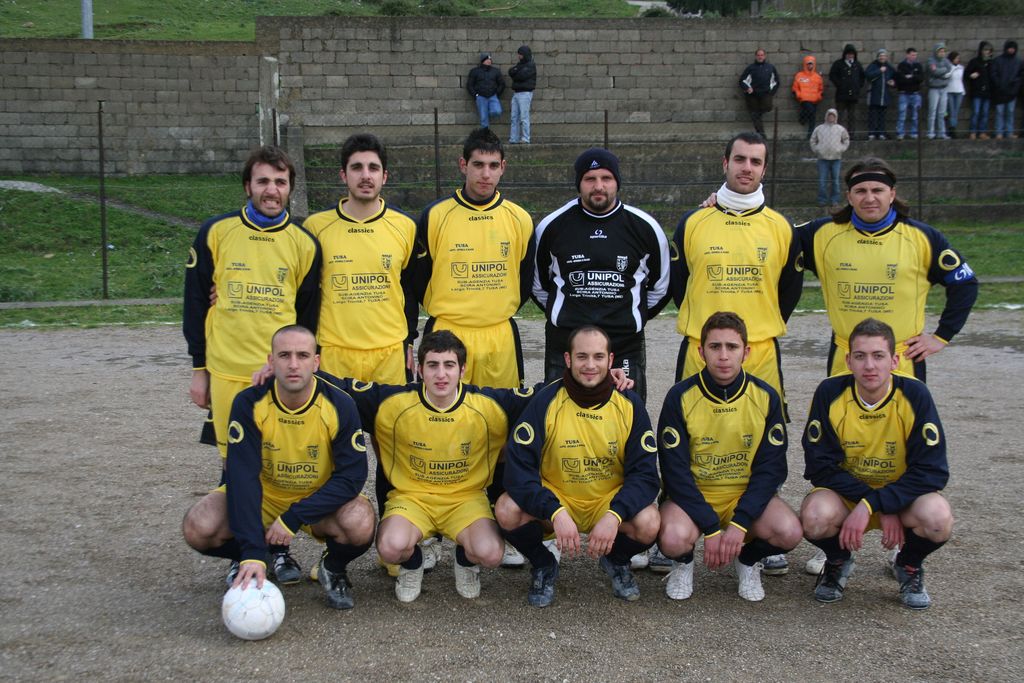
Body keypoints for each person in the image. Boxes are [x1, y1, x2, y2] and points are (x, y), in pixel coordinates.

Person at [183, 146, 321, 579]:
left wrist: (296, 369)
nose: (271, 190)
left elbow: (307, 319)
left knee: (277, 460)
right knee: (235, 467)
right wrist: (200, 370)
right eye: (263, 181)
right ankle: (247, 551)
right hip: (227, 372)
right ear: (248, 186)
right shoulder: (216, 232)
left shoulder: (304, 243)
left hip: (282, 375)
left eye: (280, 182)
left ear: (290, 188)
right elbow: (194, 303)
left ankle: (277, 550)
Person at [334, 330, 536, 603]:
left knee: (491, 554)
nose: (441, 374)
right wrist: (294, 370)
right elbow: (340, 388)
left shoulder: (488, 404)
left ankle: (465, 560)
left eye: (449, 365)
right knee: (390, 548)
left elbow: (544, 394)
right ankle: (412, 563)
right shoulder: (394, 402)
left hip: (465, 499)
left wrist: (595, 376)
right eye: (432, 365)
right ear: (420, 370)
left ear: (462, 370)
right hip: (412, 499)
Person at [181, 326, 375, 610]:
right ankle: (253, 557)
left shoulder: (340, 404)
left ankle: (332, 568)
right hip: (265, 497)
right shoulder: (249, 402)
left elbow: (352, 477)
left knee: (360, 521)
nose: (293, 364)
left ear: (316, 362)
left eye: (302, 355)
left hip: (316, 499)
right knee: (199, 525)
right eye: (284, 355)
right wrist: (251, 550)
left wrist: (294, 516)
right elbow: (242, 478)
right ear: (271, 362)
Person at [496, 325, 661, 607]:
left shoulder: (629, 404)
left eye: (598, 357)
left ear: (611, 360)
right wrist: (554, 511)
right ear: (568, 359)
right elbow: (518, 471)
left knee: (650, 522)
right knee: (506, 509)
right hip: (559, 498)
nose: (590, 365)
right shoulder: (545, 401)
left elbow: (645, 476)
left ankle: (616, 560)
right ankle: (543, 564)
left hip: (606, 502)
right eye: (582, 356)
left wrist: (615, 515)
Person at [800, 318, 953, 609]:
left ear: (894, 361)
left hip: (902, 498)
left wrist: (879, 503)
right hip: (849, 496)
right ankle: (838, 561)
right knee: (814, 517)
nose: (869, 365)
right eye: (860, 356)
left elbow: (933, 472)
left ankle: (908, 564)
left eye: (878, 356)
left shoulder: (915, 394)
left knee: (938, 518)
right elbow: (819, 467)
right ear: (848, 361)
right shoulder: (830, 392)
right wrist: (874, 503)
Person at [657, 312, 801, 602]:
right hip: (695, 494)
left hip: (742, 494)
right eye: (715, 347)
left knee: (789, 532)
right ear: (701, 352)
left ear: (746, 352)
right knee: (671, 539)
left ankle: (747, 560)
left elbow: (771, 469)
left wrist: (740, 523)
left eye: (732, 347)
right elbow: (674, 472)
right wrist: (712, 529)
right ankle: (683, 563)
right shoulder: (680, 396)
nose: (723, 356)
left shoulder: (766, 396)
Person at [798, 157, 978, 383]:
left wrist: (941, 336)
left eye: (877, 190)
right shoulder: (820, 234)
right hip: (845, 357)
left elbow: (965, 284)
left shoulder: (923, 237)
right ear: (849, 197)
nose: (869, 198)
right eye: (860, 191)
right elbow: (775, 244)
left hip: (902, 358)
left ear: (891, 194)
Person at [671, 132, 803, 409]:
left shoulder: (782, 227)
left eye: (756, 162)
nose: (747, 167)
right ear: (725, 163)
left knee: (763, 431)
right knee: (694, 428)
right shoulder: (693, 222)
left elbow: (790, 290)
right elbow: (679, 284)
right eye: (739, 159)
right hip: (701, 350)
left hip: (760, 352)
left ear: (764, 170)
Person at [533, 147, 671, 402]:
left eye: (606, 178)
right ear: (579, 183)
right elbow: (539, 285)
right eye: (590, 179)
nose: (598, 186)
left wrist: (632, 316)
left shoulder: (645, 227)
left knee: (627, 415)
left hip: (624, 343)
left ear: (617, 182)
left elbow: (660, 287)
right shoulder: (551, 226)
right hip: (566, 342)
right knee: (558, 415)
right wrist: (565, 314)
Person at [415, 127, 534, 390]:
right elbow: (419, 278)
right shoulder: (435, 216)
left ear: (503, 167)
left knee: (499, 412)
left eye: (493, 165)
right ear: (463, 165)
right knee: (443, 411)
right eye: (478, 164)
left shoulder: (520, 219)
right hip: (447, 333)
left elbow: (524, 279)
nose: (486, 174)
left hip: (499, 336)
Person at [303, 133, 418, 385]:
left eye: (373, 168)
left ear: (384, 176)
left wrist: (409, 341)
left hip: (389, 353)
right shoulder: (315, 227)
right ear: (343, 175)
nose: (366, 175)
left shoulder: (405, 226)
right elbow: (304, 293)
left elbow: (409, 289)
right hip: (335, 353)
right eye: (357, 167)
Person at [810, 108, 850, 210]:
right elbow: (813, 140)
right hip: (822, 158)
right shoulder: (819, 128)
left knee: (835, 181)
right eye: (829, 115)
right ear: (826, 116)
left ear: (836, 117)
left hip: (836, 158)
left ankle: (835, 200)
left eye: (833, 115)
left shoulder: (840, 129)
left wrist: (841, 149)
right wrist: (817, 149)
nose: (831, 117)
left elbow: (846, 140)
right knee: (822, 181)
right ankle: (822, 200)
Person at [739, 49, 779, 137]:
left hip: (766, 94)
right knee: (755, 116)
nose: (760, 57)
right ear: (756, 56)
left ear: (765, 56)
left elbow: (776, 81)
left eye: (762, 55)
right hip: (752, 95)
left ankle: (758, 114)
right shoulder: (750, 68)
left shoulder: (770, 67)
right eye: (758, 55)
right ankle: (762, 136)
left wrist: (771, 92)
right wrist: (747, 88)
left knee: (767, 107)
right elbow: (742, 80)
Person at [829, 43, 865, 138]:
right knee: (839, 115)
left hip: (853, 95)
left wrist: (858, 86)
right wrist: (839, 84)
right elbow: (832, 75)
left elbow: (862, 77)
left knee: (852, 116)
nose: (850, 56)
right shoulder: (838, 64)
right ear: (845, 54)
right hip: (841, 95)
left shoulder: (857, 64)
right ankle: (837, 134)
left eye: (852, 54)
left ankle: (851, 135)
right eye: (848, 54)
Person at [990, 40, 1021, 139]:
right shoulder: (997, 60)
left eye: (1013, 48)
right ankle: (999, 132)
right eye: (1010, 48)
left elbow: (1020, 76)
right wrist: (999, 84)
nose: (1011, 50)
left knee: (1010, 112)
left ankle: (1009, 132)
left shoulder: (1018, 62)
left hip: (1012, 92)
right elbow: (993, 74)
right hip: (1000, 92)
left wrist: (1014, 87)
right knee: (1000, 112)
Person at [467, 53, 505, 129]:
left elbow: (502, 84)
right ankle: (485, 134)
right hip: (481, 97)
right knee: (484, 118)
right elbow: (469, 85)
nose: (489, 61)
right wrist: (475, 95)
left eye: (490, 59)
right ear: (483, 61)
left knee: (497, 111)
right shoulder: (475, 71)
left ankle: (488, 111)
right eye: (487, 59)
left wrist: (497, 94)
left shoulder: (496, 71)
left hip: (493, 96)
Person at [965, 41, 995, 139]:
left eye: (989, 50)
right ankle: (973, 132)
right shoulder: (974, 62)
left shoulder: (991, 63)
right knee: (976, 112)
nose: (987, 52)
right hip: (977, 91)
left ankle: (982, 132)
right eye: (985, 50)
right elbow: (966, 74)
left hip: (987, 92)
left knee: (985, 113)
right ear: (981, 50)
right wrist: (971, 75)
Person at [508, 45, 536, 144]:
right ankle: (514, 138)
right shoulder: (520, 65)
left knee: (524, 117)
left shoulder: (531, 65)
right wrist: (516, 71)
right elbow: (511, 71)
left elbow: (520, 76)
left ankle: (525, 138)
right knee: (514, 117)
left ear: (525, 54)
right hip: (516, 93)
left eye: (520, 54)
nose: (519, 56)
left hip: (525, 93)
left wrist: (516, 72)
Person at [894, 48, 924, 140]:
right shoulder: (901, 66)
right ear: (907, 55)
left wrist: (911, 77)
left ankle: (914, 133)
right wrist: (913, 78)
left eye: (915, 55)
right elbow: (900, 79)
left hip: (915, 93)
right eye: (912, 55)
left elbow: (921, 78)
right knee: (902, 115)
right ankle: (900, 133)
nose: (914, 57)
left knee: (915, 115)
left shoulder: (918, 65)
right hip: (904, 94)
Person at [792, 54, 824, 139]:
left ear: (814, 64)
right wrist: (799, 95)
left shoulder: (817, 77)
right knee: (811, 114)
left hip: (814, 100)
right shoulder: (799, 75)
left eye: (811, 64)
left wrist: (819, 97)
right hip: (804, 100)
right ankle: (804, 122)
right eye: (808, 64)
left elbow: (821, 89)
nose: (810, 66)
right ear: (805, 64)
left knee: (812, 117)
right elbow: (795, 88)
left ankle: (810, 135)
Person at [864, 48, 894, 140]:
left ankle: (881, 132)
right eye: (880, 56)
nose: (882, 57)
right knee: (873, 115)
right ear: (877, 57)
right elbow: (868, 75)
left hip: (884, 95)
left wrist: (893, 83)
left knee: (882, 116)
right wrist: (879, 71)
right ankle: (872, 133)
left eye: (884, 56)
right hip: (874, 94)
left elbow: (894, 76)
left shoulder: (889, 67)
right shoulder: (873, 66)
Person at [925, 43, 953, 140]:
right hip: (934, 89)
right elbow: (934, 71)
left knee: (942, 112)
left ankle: (941, 133)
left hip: (944, 88)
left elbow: (950, 71)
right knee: (932, 111)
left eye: (943, 51)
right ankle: (930, 133)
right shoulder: (931, 61)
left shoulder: (946, 61)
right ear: (936, 52)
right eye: (940, 51)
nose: (942, 53)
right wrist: (944, 71)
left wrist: (941, 73)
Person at [945, 51, 965, 138]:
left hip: (959, 91)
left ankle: (953, 127)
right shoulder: (948, 67)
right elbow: (946, 76)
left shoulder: (961, 68)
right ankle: (951, 128)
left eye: (958, 58)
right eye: (956, 58)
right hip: (950, 91)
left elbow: (961, 79)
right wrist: (952, 70)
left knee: (956, 112)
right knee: (951, 111)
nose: (958, 60)